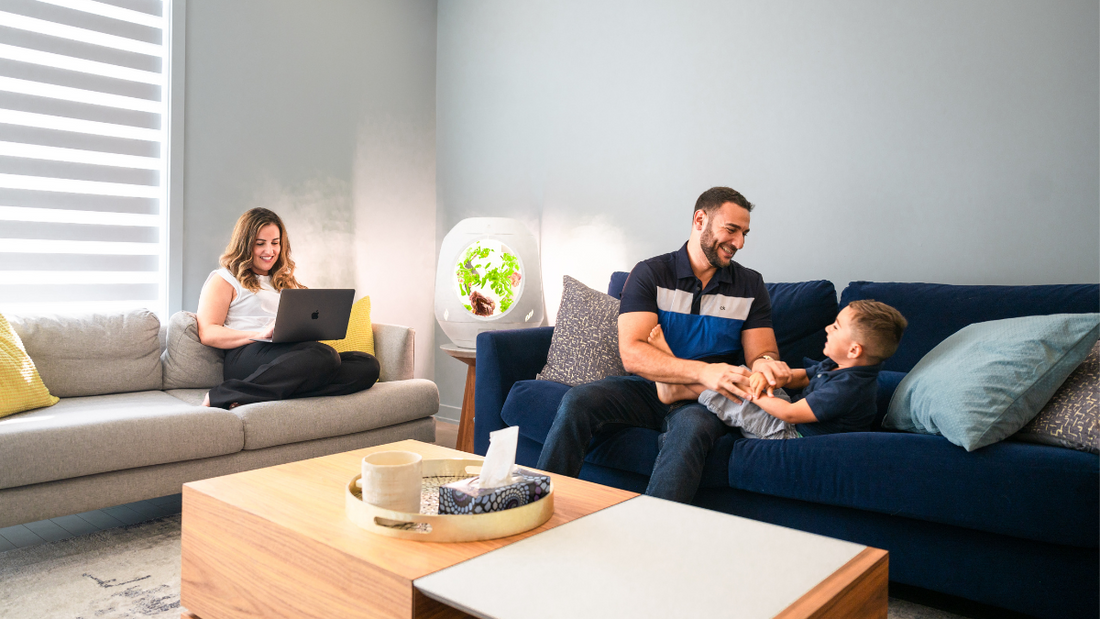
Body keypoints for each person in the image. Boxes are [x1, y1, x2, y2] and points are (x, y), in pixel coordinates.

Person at [536, 187, 793, 503]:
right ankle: (540, 504)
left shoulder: (750, 284)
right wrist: (704, 371)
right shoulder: (651, 273)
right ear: (700, 219)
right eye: (731, 230)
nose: (739, 243)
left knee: (691, 431)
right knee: (578, 400)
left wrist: (767, 364)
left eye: (744, 234)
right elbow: (632, 352)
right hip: (647, 388)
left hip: (703, 398)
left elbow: (762, 353)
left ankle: (653, 535)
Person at [197, 208, 379, 409]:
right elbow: (208, 332)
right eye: (260, 244)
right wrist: (260, 334)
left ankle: (266, 393)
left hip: (288, 355)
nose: (269, 251)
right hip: (246, 355)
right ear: (245, 244)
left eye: (275, 243)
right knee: (324, 356)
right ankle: (224, 394)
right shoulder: (224, 279)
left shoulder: (284, 282)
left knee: (366, 365)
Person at [649, 300, 907, 440]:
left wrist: (752, 391)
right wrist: (766, 375)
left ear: (854, 350)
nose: (828, 328)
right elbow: (800, 377)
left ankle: (673, 386)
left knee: (733, 391)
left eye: (836, 327)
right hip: (789, 415)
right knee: (740, 372)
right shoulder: (839, 366)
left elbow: (791, 414)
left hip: (790, 435)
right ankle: (677, 384)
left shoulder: (849, 388)